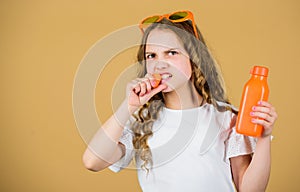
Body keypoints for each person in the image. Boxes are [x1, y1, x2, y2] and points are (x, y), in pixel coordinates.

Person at [82, 10, 278, 191]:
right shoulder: (141, 121)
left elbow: (250, 189)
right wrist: (128, 106)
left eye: (172, 53)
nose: (160, 63)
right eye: (152, 55)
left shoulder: (227, 118)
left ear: (194, 58)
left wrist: (262, 138)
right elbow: (92, 161)